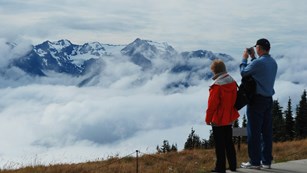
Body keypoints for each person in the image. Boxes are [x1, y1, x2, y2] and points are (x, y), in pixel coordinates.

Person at [240, 38, 278, 169]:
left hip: (257, 100)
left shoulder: (259, 63)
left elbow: (244, 73)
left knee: (254, 131)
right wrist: (253, 57)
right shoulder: (273, 62)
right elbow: (259, 69)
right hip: (268, 99)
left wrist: (244, 59)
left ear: (259, 48)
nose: (255, 49)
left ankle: (255, 162)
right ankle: (266, 161)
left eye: (256, 47)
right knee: (266, 131)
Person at [205, 59, 239, 173]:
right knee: (229, 142)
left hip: (218, 118)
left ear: (215, 71)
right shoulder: (233, 82)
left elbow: (212, 105)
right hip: (229, 116)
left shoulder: (217, 85)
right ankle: (233, 165)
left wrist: (208, 118)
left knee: (220, 144)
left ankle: (220, 168)